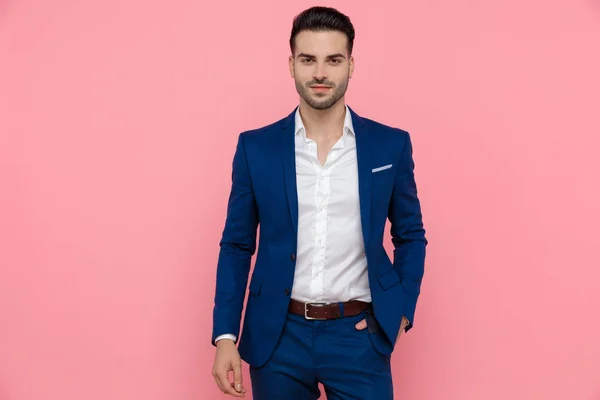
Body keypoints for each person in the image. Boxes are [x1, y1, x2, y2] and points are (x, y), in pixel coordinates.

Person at [211, 6, 427, 399]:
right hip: (278, 337)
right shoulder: (255, 148)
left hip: (359, 337)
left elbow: (410, 235)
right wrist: (225, 334)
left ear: (351, 65)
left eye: (333, 60)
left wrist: (403, 310)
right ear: (292, 64)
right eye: (308, 59)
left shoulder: (389, 145)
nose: (321, 73)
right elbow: (237, 245)